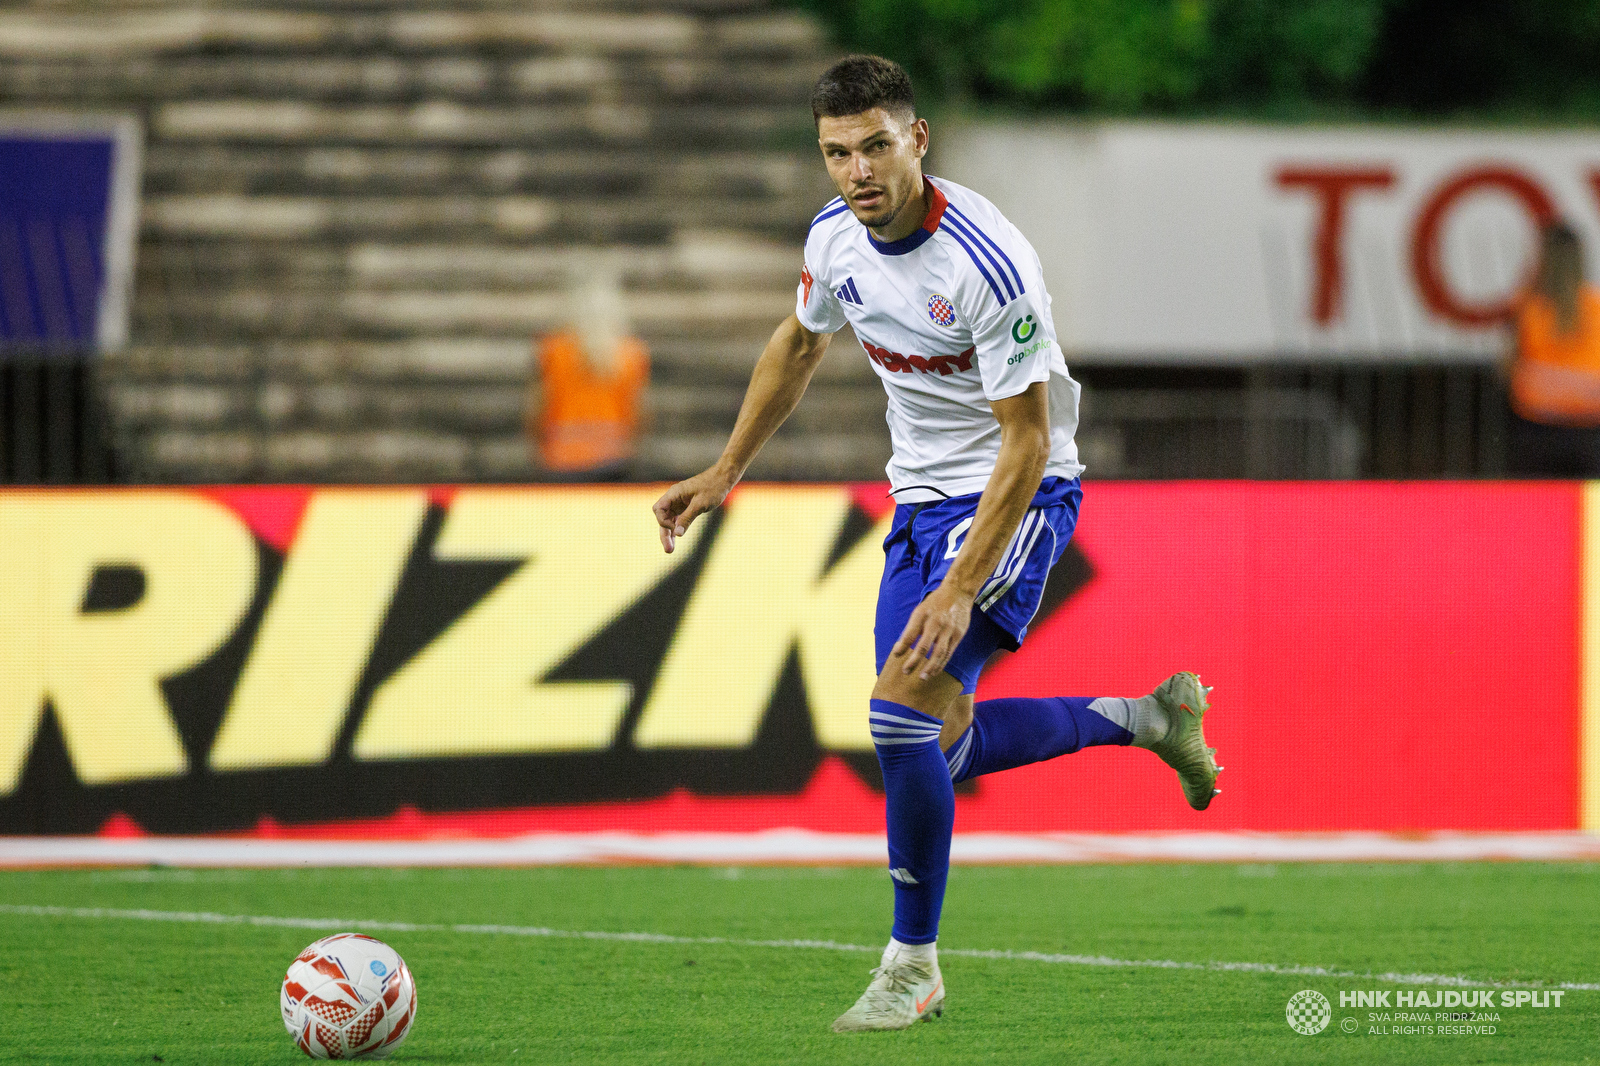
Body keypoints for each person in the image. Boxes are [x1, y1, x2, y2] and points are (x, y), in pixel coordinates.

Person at [649, 55, 1221, 1032]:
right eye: (837, 153)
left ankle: (911, 965)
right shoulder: (834, 238)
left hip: (1017, 495)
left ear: (917, 139)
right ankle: (1147, 719)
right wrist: (725, 468)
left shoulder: (986, 264)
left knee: (898, 716)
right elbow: (799, 343)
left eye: (875, 146)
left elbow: (1026, 441)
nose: (858, 171)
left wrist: (960, 586)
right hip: (917, 503)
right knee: (934, 745)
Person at [526, 267, 649, 480]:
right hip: (613, 457)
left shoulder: (554, 349)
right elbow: (637, 413)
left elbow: (539, 407)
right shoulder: (630, 352)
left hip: (561, 456)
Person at [1507, 220, 1600, 475]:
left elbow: (1515, 373)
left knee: (1539, 499)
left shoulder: (1528, 307)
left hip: (1539, 431)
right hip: (1586, 434)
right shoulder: (1594, 307)